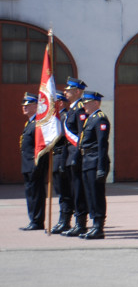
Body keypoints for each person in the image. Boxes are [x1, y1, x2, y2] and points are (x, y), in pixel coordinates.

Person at [77, 90, 110, 239]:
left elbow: (102, 145)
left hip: (96, 160)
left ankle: (99, 227)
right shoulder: (90, 119)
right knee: (90, 194)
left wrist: (101, 167)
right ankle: (94, 225)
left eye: (86, 103)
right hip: (87, 160)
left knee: (97, 195)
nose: (84, 105)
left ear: (95, 103)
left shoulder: (100, 119)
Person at [61, 77, 90, 238]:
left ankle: (81, 224)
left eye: (68, 89)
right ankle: (73, 222)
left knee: (79, 191)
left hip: (76, 157)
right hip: (70, 155)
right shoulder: (72, 109)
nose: (65, 91)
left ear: (77, 91)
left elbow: (81, 135)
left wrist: (77, 156)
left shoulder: (79, 109)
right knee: (72, 190)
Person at [19, 93, 46, 231]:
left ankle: (37, 221)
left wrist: (38, 165)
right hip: (27, 164)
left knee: (36, 194)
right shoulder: (30, 123)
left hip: (34, 165)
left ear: (36, 106)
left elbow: (40, 146)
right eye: (24, 105)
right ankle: (33, 219)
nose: (24, 107)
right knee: (31, 193)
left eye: (28, 105)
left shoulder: (37, 124)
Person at [49, 91, 73, 234]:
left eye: (54, 102)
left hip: (61, 158)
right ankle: (62, 220)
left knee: (65, 192)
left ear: (61, 103)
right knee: (60, 192)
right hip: (55, 157)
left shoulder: (65, 117)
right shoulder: (56, 118)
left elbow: (64, 141)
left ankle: (65, 221)